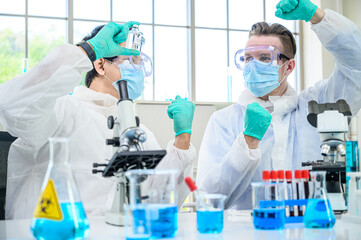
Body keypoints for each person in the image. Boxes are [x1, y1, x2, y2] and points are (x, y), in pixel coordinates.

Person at [0, 21, 196, 219]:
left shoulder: (139, 133)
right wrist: (88, 50)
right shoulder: (59, 111)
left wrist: (182, 139)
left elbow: (161, 201)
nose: (138, 74)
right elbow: (12, 105)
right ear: (100, 64)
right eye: (130, 62)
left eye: (139, 65)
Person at [196, 0, 361, 210]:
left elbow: (357, 64)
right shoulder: (224, 121)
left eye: (264, 57)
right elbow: (207, 199)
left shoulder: (318, 104)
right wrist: (247, 143)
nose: (252, 65)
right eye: (247, 58)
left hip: (311, 229)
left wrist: (318, 17)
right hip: (248, 232)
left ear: (289, 66)